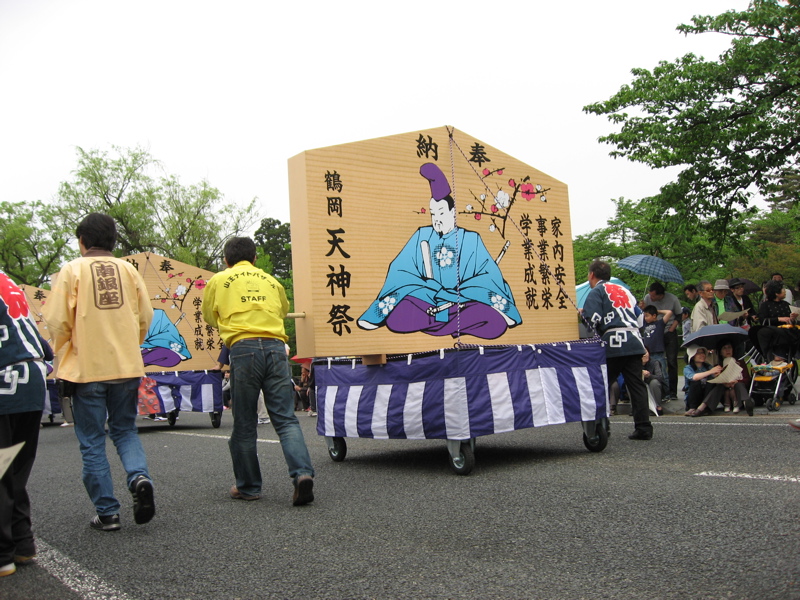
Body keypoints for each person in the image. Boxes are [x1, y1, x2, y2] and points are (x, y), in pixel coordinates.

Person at [43, 213, 155, 532]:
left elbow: (57, 322)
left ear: (82, 241)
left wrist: (61, 351)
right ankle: (139, 477)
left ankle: (108, 513)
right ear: (113, 241)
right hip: (126, 366)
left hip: (86, 369)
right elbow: (145, 316)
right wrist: (129, 343)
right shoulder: (128, 270)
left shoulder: (72, 270)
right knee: (125, 430)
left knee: (92, 440)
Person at [201, 237, 314, 505]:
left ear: (226, 260)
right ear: (254, 258)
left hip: (243, 348)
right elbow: (283, 310)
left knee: (244, 422)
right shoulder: (271, 281)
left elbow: (209, 316)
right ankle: (302, 474)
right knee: (286, 419)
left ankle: (249, 486)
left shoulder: (219, 279)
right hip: (275, 347)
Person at [357, 162, 521, 339]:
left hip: (462, 303)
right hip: (427, 302)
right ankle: (454, 327)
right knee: (396, 317)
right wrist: (430, 288)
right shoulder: (422, 235)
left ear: (453, 212)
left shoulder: (471, 238)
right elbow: (400, 270)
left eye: (441, 213)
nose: (437, 219)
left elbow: (488, 275)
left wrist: (461, 292)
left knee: (495, 322)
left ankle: (443, 325)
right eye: (433, 213)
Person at [0, 271, 52, 577]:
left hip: (4, 378)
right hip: (32, 379)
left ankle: (2, 554)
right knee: (13, 469)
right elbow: (44, 347)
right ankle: (22, 543)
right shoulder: (6, 281)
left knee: (2, 470)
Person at [582, 260, 652, 440]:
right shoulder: (624, 291)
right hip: (634, 341)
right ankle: (644, 427)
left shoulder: (597, 291)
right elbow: (640, 318)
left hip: (612, 342)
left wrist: (582, 317)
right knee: (636, 385)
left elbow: (592, 319)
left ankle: (601, 426)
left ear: (591, 275)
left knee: (602, 384)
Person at [642, 282, 682, 400]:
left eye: (653, 296)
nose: (651, 298)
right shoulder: (647, 298)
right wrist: (642, 306)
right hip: (653, 333)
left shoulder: (673, 299)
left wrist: (671, 329)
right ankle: (656, 389)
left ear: (660, 295)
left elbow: (678, 315)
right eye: (650, 295)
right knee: (651, 363)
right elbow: (644, 313)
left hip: (668, 329)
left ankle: (671, 391)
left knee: (671, 361)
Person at [640, 305, 672, 398]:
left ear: (654, 316)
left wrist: (658, 311)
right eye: (645, 316)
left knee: (663, 373)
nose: (645, 318)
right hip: (647, 353)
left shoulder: (660, 323)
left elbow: (669, 312)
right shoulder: (645, 324)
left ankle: (666, 393)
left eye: (647, 316)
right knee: (650, 373)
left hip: (658, 352)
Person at [683, 346, 724, 416]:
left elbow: (714, 376)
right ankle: (693, 408)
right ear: (692, 355)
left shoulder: (708, 366)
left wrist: (718, 372)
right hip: (692, 398)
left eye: (703, 353)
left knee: (712, 382)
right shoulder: (688, 368)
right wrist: (710, 372)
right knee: (696, 382)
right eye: (698, 353)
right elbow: (694, 377)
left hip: (706, 397)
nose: (702, 355)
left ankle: (704, 407)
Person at [715, 340, 752, 415]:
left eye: (729, 347)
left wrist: (737, 381)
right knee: (719, 386)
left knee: (739, 384)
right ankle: (704, 406)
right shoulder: (718, 366)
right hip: (725, 395)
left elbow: (747, 379)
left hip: (739, 394)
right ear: (720, 352)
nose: (727, 350)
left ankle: (746, 402)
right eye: (724, 348)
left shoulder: (740, 363)